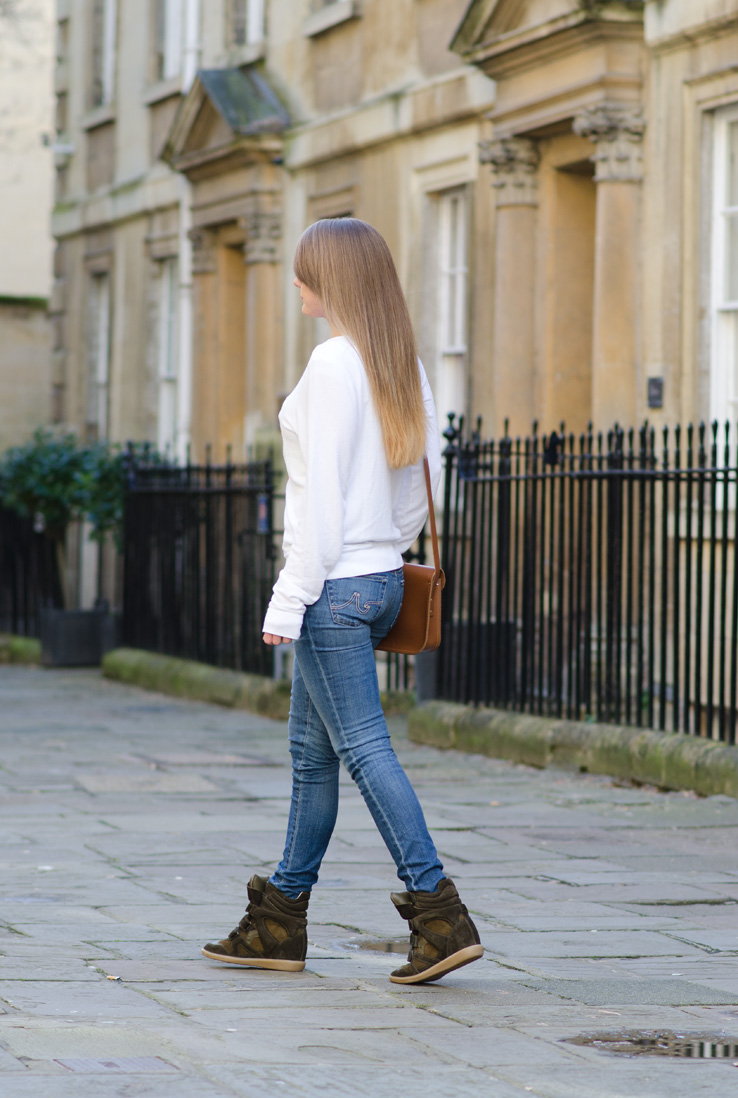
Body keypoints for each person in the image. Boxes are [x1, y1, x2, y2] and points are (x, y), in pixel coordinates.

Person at [202, 218, 482, 985]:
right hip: (382, 578)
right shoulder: (401, 365)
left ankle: (439, 911)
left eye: (304, 273)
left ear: (332, 280)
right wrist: (381, 552)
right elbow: (417, 491)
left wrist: (288, 599)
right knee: (311, 754)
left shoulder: (331, 364)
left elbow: (317, 503)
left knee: (361, 749)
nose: (295, 284)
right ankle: (279, 922)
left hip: (332, 588)